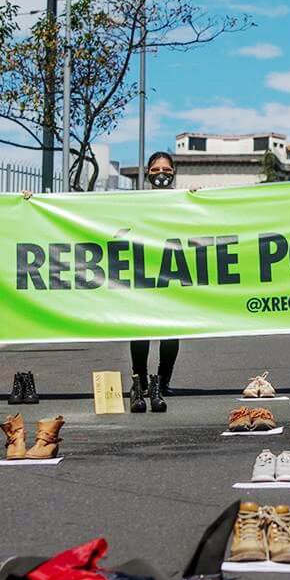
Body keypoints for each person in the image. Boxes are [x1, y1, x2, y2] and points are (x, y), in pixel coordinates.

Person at [129, 151, 181, 412]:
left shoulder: (182, 200)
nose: (161, 173)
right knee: (141, 326)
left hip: (171, 269)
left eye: (166, 169)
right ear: (147, 173)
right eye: (156, 169)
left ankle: (162, 380)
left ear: (174, 173)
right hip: (142, 270)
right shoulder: (136, 201)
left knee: (171, 328)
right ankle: (139, 382)